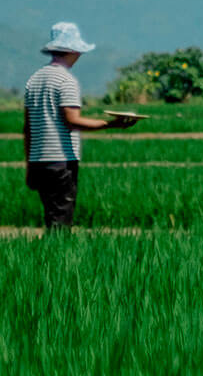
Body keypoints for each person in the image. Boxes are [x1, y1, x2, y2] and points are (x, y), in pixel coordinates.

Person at [22, 21, 137, 231]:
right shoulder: (66, 80)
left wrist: (30, 166)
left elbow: (28, 128)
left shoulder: (34, 79)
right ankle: (57, 261)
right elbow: (71, 120)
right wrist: (111, 124)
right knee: (61, 224)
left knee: (51, 219)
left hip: (39, 161)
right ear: (72, 50)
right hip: (60, 161)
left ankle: (48, 259)